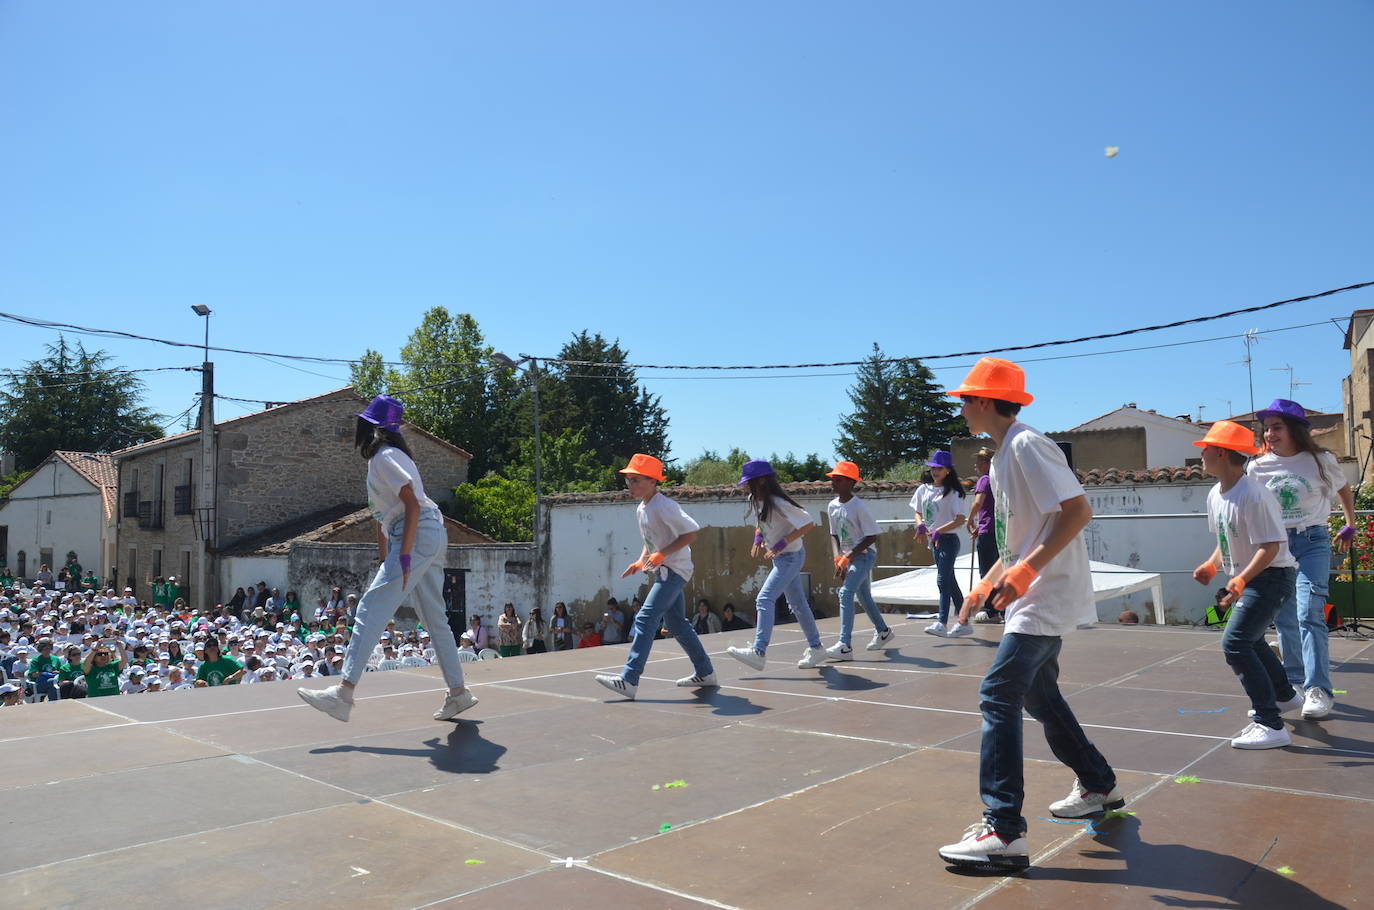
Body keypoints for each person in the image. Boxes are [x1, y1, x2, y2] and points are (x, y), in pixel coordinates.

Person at [938, 358, 1123, 870]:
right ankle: (1099, 784)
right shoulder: (1002, 455)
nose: (961, 406)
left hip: (1045, 594)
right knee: (1040, 696)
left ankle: (1003, 830)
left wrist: (1024, 574)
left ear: (982, 400)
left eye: (965, 398)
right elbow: (1021, 539)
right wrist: (988, 583)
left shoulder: (1026, 444)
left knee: (997, 693)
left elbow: (1078, 511)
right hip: (1031, 590)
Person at [298, 395, 476, 723]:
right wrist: (389, 558)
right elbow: (387, 520)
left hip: (416, 532)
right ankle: (458, 693)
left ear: (371, 425)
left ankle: (343, 694)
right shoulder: (390, 457)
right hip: (425, 533)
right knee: (435, 620)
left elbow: (410, 502)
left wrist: (404, 554)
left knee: (369, 609)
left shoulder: (383, 456)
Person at [1191, 419, 1303, 749]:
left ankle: (1270, 724)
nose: (1202, 455)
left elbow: (1271, 546)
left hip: (1270, 577)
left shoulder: (1254, 495)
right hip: (1252, 578)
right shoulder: (1216, 493)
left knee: (1235, 643)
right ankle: (1284, 696)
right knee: (1250, 641)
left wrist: (1240, 578)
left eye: (1206, 449)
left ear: (1222, 454)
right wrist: (1212, 566)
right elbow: (1226, 538)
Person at [1247, 398, 1357, 720]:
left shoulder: (1320, 460)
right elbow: (1250, 509)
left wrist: (1350, 523)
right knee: (1283, 617)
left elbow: (1344, 489)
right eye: (1266, 429)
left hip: (1312, 540)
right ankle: (1292, 685)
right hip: (1277, 544)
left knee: (1310, 611)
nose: (1269, 434)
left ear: (1295, 429)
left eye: (1276, 427)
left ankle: (1318, 689)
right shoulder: (1258, 466)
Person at [594, 454, 716, 699]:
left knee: (645, 618)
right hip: (664, 570)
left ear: (652, 481)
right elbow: (650, 541)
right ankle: (705, 672)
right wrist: (641, 561)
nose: (630, 485)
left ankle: (629, 679)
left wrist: (662, 554)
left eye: (635, 480)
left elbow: (691, 532)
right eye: (628, 480)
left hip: (675, 571)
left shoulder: (665, 506)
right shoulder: (642, 508)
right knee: (676, 624)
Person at [726, 460, 827, 672]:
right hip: (780, 558)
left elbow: (808, 523)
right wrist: (756, 541)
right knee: (798, 604)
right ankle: (817, 648)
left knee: (764, 598)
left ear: (762, 481)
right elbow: (760, 522)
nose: (745, 486)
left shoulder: (779, 503)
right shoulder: (755, 498)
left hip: (791, 557)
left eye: (748, 482)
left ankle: (758, 652)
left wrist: (781, 543)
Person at [822, 460, 894, 661]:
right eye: (833, 478)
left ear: (850, 483)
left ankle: (844, 645)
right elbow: (833, 534)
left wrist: (848, 556)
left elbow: (872, 536)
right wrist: (838, 557)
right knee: (863, 596)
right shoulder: (832, 506)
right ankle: (884, 631)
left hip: (863, 556)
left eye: (838, 479)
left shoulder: (859, 507)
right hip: (848, 557)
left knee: (845, 593)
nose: (833, 482)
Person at [912, 451, 970, 638]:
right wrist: (920, 525)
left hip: (948, 541)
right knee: (950, 582)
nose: (935, 471)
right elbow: (918, 512)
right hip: (934, 541)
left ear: (947, 471)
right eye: (933, 468)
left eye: (939, 468)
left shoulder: (953, 493)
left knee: (942, 580)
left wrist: (940, 530)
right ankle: (964, 621)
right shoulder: (923, 489)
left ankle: (942, 622)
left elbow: (960, 519)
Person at [966, 447, 1002, 622]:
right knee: (998, 572)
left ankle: (990, 610)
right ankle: (1000, 609)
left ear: (987, 463)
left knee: (986, 572)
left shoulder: (984, 480)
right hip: (998, 531)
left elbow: (978, 503)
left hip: (988, 532)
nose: (976, 465)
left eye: (979, 461)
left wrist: (970, 519)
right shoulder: (998, 480)